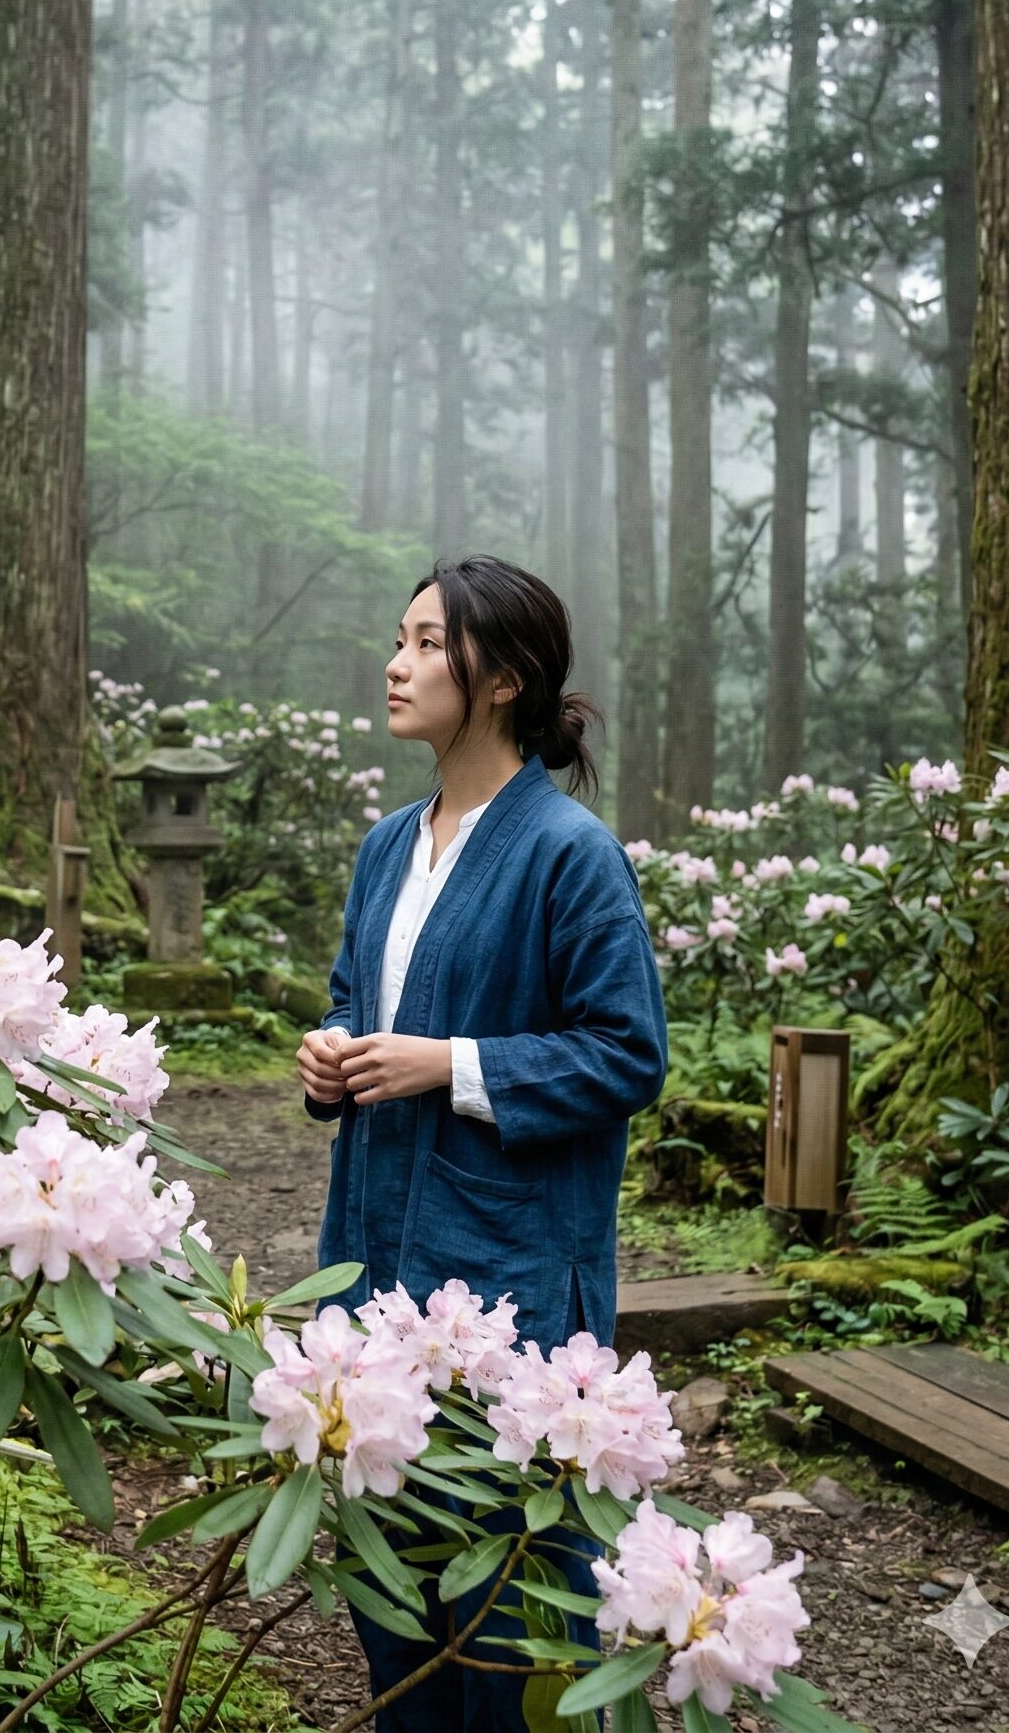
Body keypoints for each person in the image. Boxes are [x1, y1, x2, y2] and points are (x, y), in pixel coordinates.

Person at [299, 555, 668, 1731]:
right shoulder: (383, 845)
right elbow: (355, 997)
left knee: (512, 1588)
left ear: (500, 678)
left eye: (422, 642)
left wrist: (446, 1062)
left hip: (508, 1269)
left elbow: (625, 1052)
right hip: (374, 1249)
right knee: (390, 1572)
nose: (395, 663)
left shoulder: (569, 853)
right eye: (395, 639)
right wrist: (333, 1049)